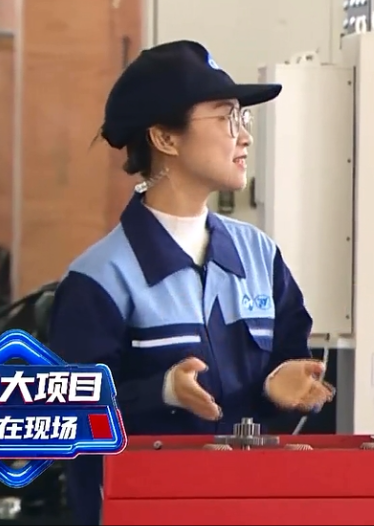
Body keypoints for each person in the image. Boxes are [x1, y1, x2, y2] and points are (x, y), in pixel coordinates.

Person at [48, 40, 335, 525]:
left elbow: (291, 369)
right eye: (226, 118)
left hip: (249, 509)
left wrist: (279, 386)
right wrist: (160, 391)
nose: (245, 137)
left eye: (243, 117)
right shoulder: (100, 279)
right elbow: (66, 417)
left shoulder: (259, 257)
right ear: (165, 137)